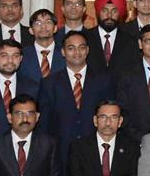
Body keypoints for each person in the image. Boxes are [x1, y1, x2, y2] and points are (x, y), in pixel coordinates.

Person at [40, 30, 112, 163]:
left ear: (88, 50)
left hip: (95, 152)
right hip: (60, 153)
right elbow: (44, 123)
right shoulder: (49, 83)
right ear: (63, 52)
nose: (77, 52)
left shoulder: (104, 80)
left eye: (81, 47)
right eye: (71, 48)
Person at [86, 0, 138, 76]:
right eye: (104, 11)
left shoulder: (130, 41)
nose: (109, 15)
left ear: (120, 13)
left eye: (114, 11)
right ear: (98, 13)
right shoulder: (85, 38)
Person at [19, 8, 59, 81]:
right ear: (31, 30)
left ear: (55, 28)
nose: (43, 26)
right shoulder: (21, 55)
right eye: (38, 23)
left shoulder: (65, 54)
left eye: (48, 22)